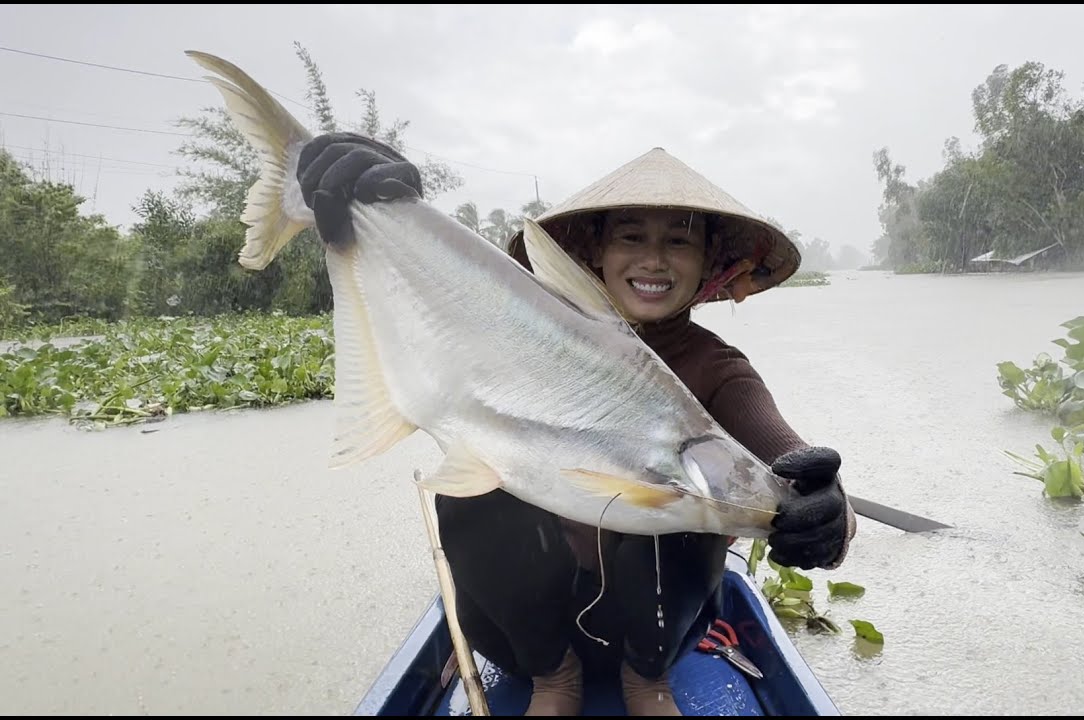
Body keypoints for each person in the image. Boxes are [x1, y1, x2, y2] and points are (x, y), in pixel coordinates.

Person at [295, 135, 856, 716]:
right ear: (594, 253)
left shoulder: (719, 369)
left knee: (687, 495)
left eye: (679, 242)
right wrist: (388, 212)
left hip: (657, 632)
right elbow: (443, 297)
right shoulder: (517, 335)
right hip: (521, 633)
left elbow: (786, 457)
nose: (654, 260)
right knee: (481, 475)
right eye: (631, 237)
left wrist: (827, 510)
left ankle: (648, 682)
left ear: (710, 264)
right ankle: (553, 679)